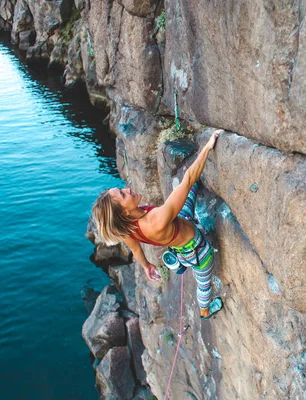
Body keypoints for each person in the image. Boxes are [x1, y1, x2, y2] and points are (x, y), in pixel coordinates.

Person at [91, 129, 223, 320]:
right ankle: (205, 311)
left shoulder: (127, 228)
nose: (127, 189)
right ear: (124, 212)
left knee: (189, 192)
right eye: (123, 194)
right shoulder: (156, 221)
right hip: (197, 249)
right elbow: (187, 180)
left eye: (121, 189)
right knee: (204, 283)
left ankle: (182, 264)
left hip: (178, 229)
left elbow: (136, 251)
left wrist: (147, 266)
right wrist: (208, 147)